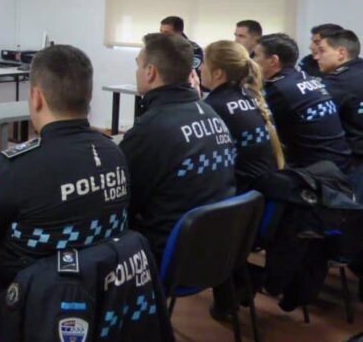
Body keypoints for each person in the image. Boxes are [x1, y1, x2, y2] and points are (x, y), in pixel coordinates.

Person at [0, 45, 130, 331]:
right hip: (100, 295)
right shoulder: (115, 153)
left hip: (23, 305)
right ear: (88, 97)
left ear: (36, 97)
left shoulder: (14, 168)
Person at [119, 33, 235, 262]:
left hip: (170, 251)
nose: (137, 72)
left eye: (139, 66)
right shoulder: (210, 112)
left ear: (150, 72)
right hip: (216, 244)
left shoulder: (152, 129)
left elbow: (123, 199)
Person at [253, 33, 352, 172]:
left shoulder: (278, 90)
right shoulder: (305, 78)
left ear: (273, 61)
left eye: (256, 56)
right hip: (338, 163)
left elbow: (260, 132)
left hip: (314, 173)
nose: (252, 61)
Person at [201, 40, 283, 192]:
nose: (200, 68)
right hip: (264, 187)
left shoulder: (214, 106)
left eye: (204, 63)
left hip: (241, 191)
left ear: (218, 73)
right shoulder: (250, 95)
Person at [317, 30, 363, 157]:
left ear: (341, 53)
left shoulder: (336, 82)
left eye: (322, 51)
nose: (316, 56)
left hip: (354, 159)